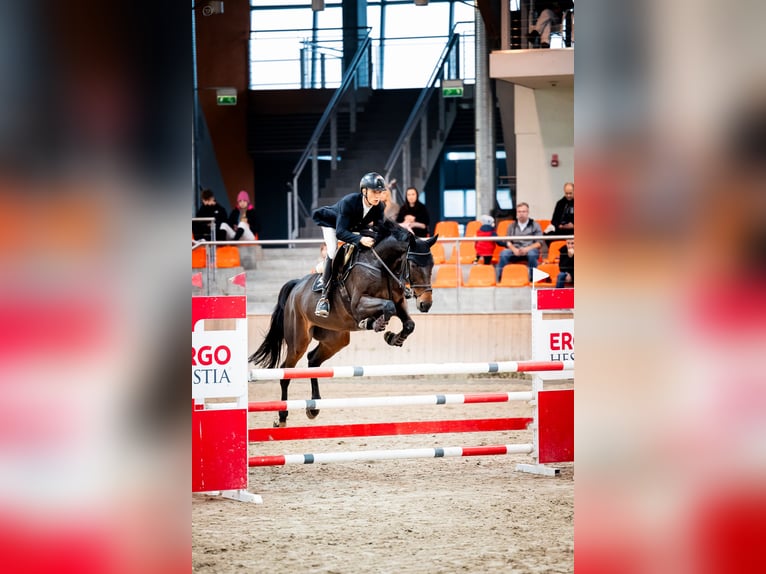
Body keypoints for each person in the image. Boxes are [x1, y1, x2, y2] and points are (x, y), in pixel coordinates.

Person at [311, 171, 388, 318]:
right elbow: (341, 232)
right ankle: (324, 298)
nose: (378, 195)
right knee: (333, 250)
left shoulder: (379, 207)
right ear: (364, 191)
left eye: (380, 192)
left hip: (353, 226)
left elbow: (380, 230)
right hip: (332, 225)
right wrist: (360, 240)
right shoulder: (349, 201)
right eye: (374, 191)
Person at [495, 202, 543, 282]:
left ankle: (533, 279)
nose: (521, 214)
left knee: (532, 253)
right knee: (504, 253)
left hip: (529, 249)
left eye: (524, 211)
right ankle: (501, 277)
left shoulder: (535, 225)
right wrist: (514, 250)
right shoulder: (511, 226)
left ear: (528, 212)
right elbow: (508, 241)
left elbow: (539, 243)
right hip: (515, 250)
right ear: (517, 213)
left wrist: (526, 249)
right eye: (519, 212)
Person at [544, 181, 574, 246]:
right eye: (566, 193)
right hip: (561, 230)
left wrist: (573, 226)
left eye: (570, 193)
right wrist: (560, 226)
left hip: (574, 231)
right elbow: (554, 220)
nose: (568, 195)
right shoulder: (560, 203)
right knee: (547, 235)